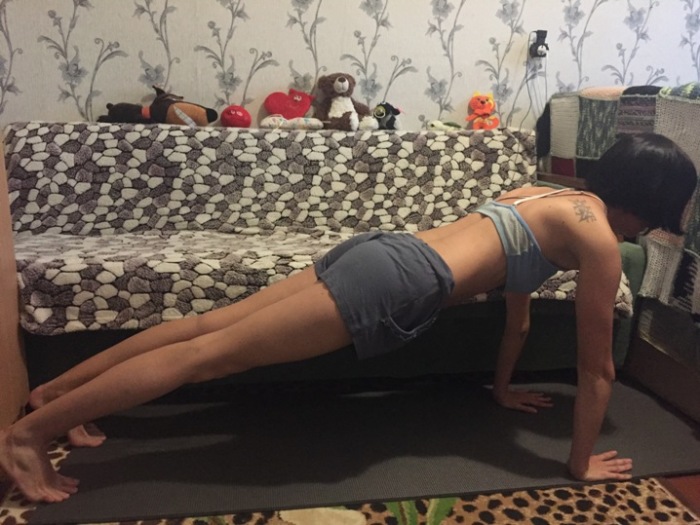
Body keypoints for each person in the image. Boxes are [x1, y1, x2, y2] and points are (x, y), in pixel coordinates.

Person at [0, 132, 697, 503]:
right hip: (400, 278)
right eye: (657, 219)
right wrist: (578, 463)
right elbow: (598, 369)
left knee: (203, 330)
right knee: (207, 357)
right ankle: (28, 435)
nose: (647, 234)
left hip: (382, 249)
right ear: (646, 204)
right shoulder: (599, 240)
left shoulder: (540, 194)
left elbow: (516, 317)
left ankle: (55, 393)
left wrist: (503, 389)